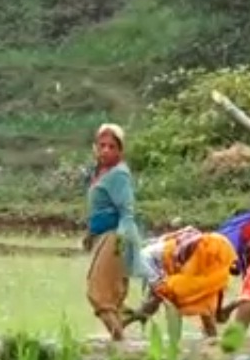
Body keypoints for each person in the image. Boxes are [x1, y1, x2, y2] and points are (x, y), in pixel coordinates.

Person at [84, 123, 145, 341]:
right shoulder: (101, 172)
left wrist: (121, 243)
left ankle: (120, 344)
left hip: (116, 236)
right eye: (102, 145)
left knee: (99, 294)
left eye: (112, 146)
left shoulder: (119, 175)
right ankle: (131, 318)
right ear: (95, 148)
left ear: (120, 150)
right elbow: (98, 209)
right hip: (104, 236)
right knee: (110, 293)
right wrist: (90, 234)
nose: (106, 150)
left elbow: (127, 211)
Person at [126, 226, 238, 339]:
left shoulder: (205, 256)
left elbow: (211, 289)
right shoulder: (198, 251)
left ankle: (209, 336)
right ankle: (128, 323)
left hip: (158, 260)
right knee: (165, 297)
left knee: (160, 300)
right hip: (152, 261)